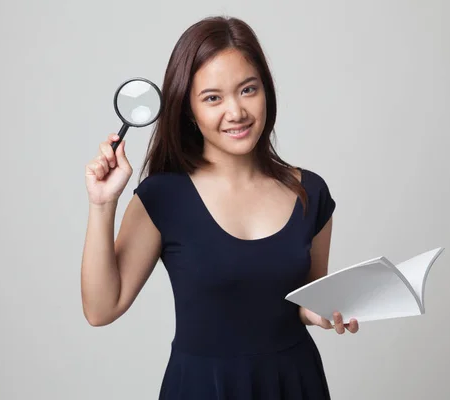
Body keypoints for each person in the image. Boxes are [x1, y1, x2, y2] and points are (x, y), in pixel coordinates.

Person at [81, 15, 359, 399]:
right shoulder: (163, 196)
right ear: (189, 110)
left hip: (294, 383)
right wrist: (102, 204)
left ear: (266, 91)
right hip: (201, 388)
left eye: (248, 90)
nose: (237, 112)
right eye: (213, 98)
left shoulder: (309, 192)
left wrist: (318, 312)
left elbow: (301, 303)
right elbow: (101, 309)